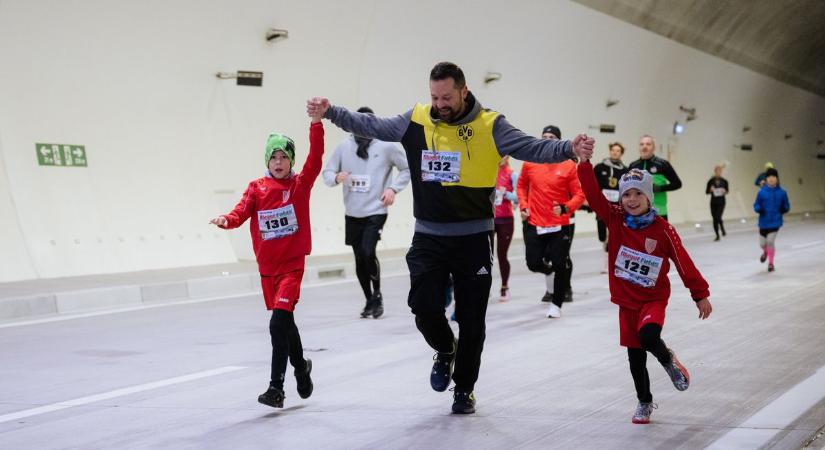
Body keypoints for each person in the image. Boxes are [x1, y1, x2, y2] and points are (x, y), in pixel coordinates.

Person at [306, 62, 595, 414]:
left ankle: (465, 389)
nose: (440, 103)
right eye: (434, 96)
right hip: (429, 236)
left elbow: (530, 147)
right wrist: (331, 111)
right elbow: (373, 125)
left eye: (446, 97)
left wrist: (568, 148)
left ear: (463, 90)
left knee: (473, 320)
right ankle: (445, 349)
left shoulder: (491, 124)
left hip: (473, 238)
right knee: (424, 307)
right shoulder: (417, 119)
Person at [576, 152, 712, 425]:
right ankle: (645, 402)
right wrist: (584, 163)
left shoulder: (663, 230)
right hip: (627, 302)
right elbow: (592, 195)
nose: (632, 200)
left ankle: (667, 358)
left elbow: (683, 262)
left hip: (653, 299)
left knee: (649, 337)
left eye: (638, 194)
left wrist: (700, 294)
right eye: (626, 195)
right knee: (635, 358)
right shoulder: (615, 219)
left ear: (649, 197)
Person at [209, 114, 324, 409]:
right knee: (286, 323)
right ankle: (301, 367)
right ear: (267, 160)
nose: (278, 161)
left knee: (277, 325)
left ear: (291, 161)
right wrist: (226, 219)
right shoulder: (257, 188)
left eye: (284, 156)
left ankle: (276, 388)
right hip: (267, 271)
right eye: (273, 156)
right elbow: (241, 212)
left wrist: (316, 125)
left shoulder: (299, 185)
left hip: (291, 268)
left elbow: (315, 159)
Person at [322, 106, 411, 319]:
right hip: (353, 211)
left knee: (368, 251)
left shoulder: (387, 145)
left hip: (376, 210)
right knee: (359, 258)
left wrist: (392, 189)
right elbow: (327, 172)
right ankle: (369, 299)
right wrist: (336, 178)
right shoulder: (344, 146)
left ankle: (378, 294)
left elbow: (407, 168)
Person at [517, 125, 584, 318]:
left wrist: (566, 207)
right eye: (544, 136)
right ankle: (549, 271)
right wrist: (523, 206)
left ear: (559, 141)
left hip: (558, 224)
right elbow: (521, 186)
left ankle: (557, 303)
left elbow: (580, 194)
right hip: (534, 221)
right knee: (533, 263)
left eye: (552, 136)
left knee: (560, 263)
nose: (547, 139)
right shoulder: (530, 162)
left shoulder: (569, 165)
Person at [593, 142, 629, 271]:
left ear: (621, 153)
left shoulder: (625, 170)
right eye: (613, 150)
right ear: (610, 151)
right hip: (602, 206)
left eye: (618, 151)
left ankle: (610, 264)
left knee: (615, 234)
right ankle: (606, 259)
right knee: (603, 236)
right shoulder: (599, 167)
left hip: (618, 207)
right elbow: (592, 185)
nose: (615, 152)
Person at [628, 135, 682, 221]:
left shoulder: (662, 164)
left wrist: (659, 188)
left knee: (660, 235)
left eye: (648, 144)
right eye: (642, 144)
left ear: (654, 147)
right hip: (638, 211)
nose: (644, 146)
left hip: (658, 210)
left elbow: (677, 184)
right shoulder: (633, 165)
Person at [753, 168, 790, 272]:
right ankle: (765, 252)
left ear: (777, 178)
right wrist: (758, 209)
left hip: (775, 222)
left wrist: (784, 208)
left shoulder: (782, 192)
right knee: (762, 244)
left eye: (774, 176)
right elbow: (756, 204)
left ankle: (771, 263)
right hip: (763, 222)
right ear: (766, 179)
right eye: (769, 177)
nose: (771, 179)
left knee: (770, 241)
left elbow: (787, 205)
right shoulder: (761, 192)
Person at [494, 156, 518, 302]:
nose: (501, 158)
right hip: (489, 220)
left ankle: (505, 287)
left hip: (505, 220)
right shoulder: (490, 171)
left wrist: (506, 194)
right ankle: (483, 287)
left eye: (504, 154)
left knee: (502, 255)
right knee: (485, 256)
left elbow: (518, 197)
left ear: (508, 156)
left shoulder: (512, 174)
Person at [705, 165, 729, 241]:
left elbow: (727, 191)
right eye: (717, 171)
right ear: (715, 171)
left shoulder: (724, 181)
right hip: (713, 202)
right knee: (714, 218)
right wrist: (710, 190)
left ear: (721, 172)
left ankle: (722, 228)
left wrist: (725, 191)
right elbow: (706, 192)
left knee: (718, 217)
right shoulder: (711, 181)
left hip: (721, 202)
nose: (718, 172)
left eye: (720, 171)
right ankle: (717, 235)